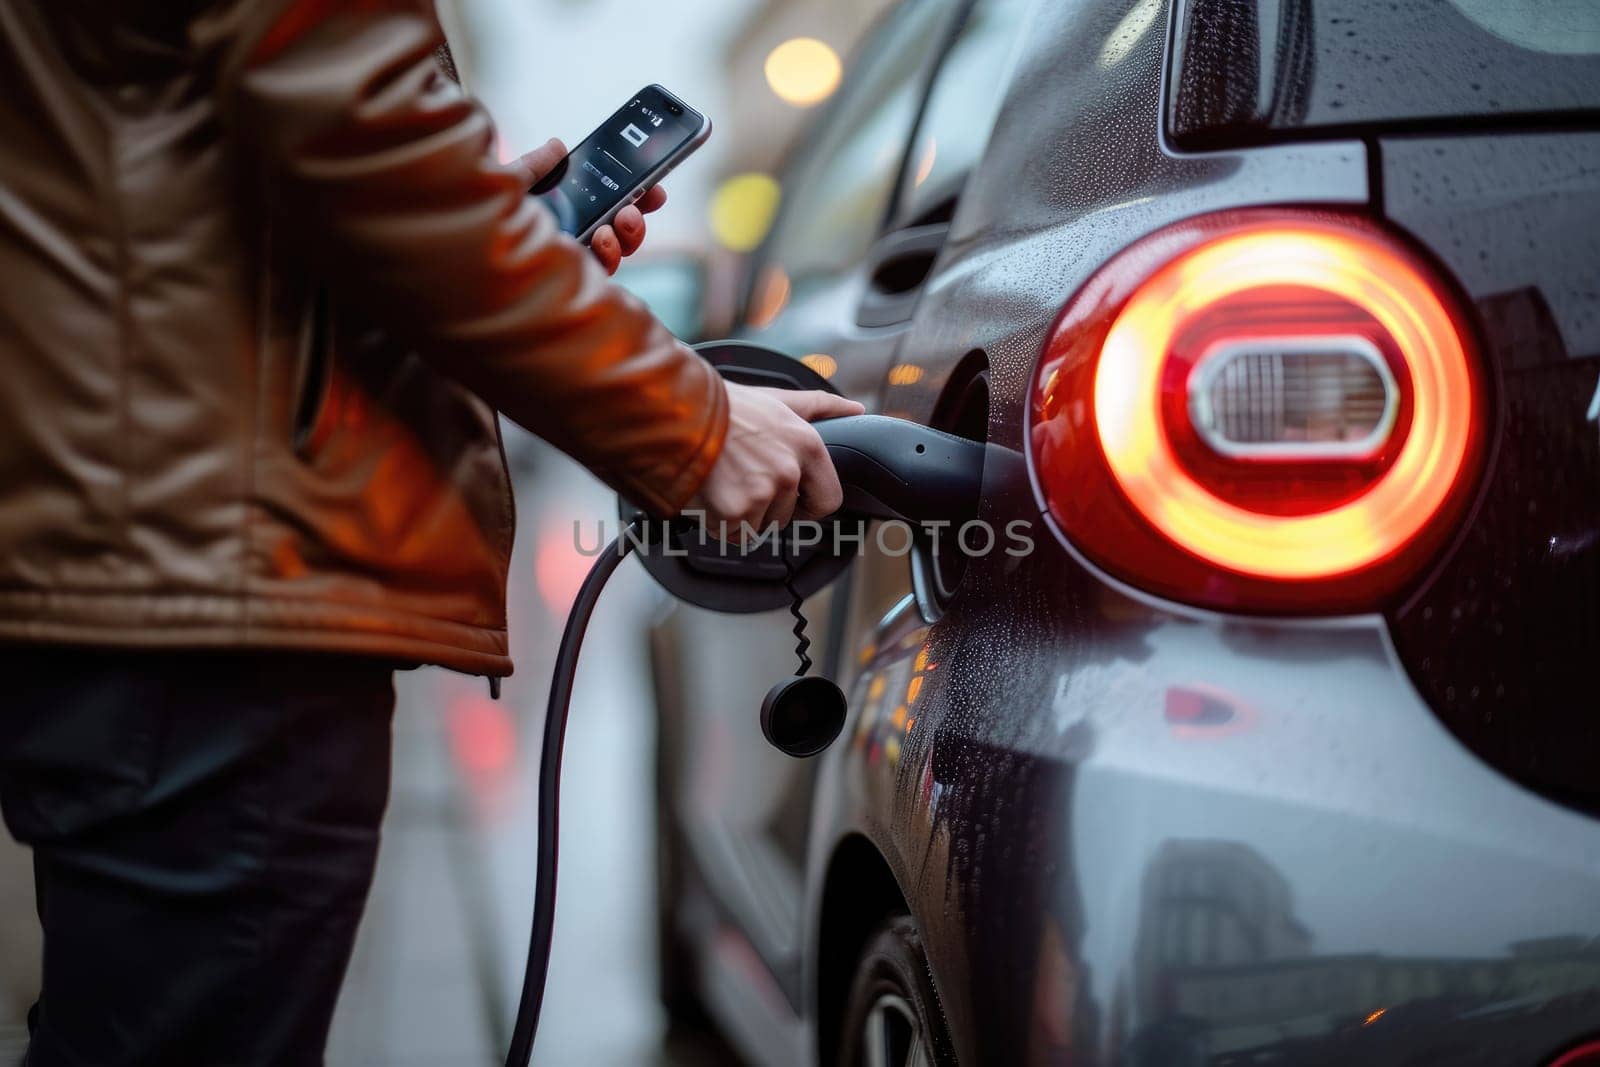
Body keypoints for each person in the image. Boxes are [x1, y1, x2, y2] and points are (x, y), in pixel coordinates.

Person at [0, 1, 861, 1063]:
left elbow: (266, 182)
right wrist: (694, 424)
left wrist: (485, 245)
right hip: (219, 577)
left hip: (157, 541)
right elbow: (380, 161)